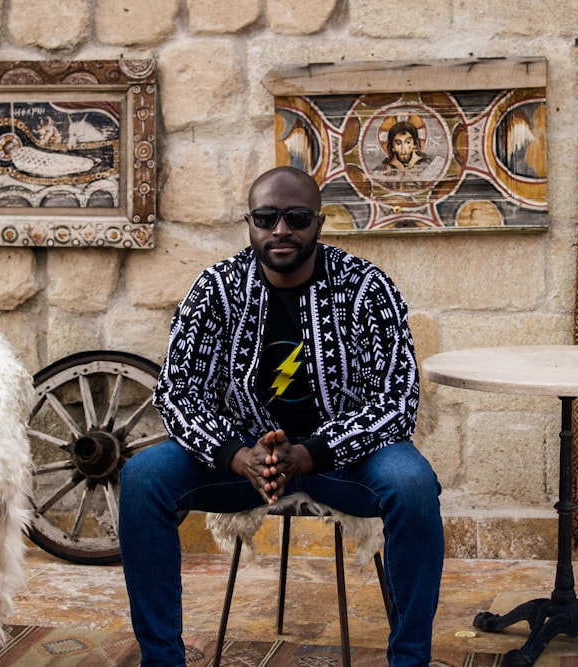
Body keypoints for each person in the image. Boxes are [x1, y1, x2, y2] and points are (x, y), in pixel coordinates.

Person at [118, 166, 445, 667]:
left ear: (319, 222)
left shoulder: (366, 288)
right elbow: (178, 393)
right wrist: (235, 455)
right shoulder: (217, 289)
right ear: (250, 222)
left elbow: (397, 401)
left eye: (296, 217)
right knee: (142, 477)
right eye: (267, 217)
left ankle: (409, 660)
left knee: (414, 485)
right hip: (246, 458)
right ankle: (161, 660)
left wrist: (311, 454)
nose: (281, 230)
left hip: (342, 459)